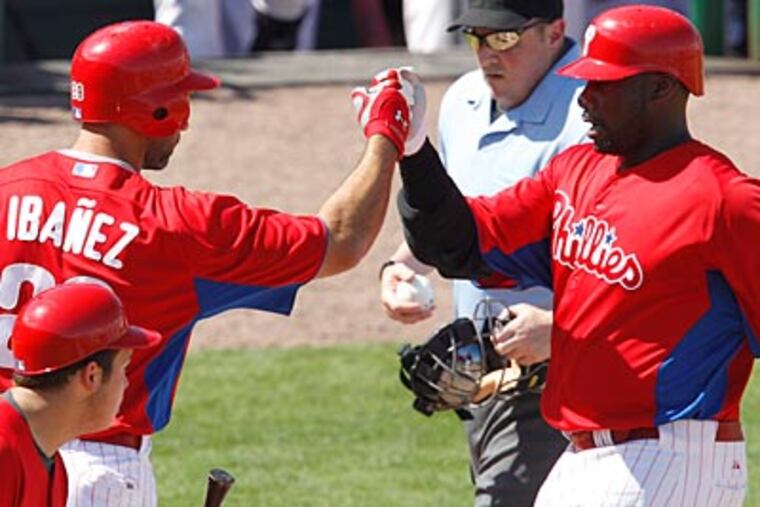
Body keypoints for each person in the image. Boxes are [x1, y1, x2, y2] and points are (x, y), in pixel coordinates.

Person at [0, 20, 415, 506]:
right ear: (156, 109)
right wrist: (386, 135)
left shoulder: (6, 189)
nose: (186, 118)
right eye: (181, 100)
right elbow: (339, 240)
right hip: (102, 473)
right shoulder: (178, 225)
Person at [371, 5, 759, 506]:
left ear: (662, 88)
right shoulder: (576, 171)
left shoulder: (725, 200)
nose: (586, 100)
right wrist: (414, 149)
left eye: (605, 85)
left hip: (671, 458)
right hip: (583, 456)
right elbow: (459, 244)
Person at [379, 0, 587, 505]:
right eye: (477, 38)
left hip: (561, 380)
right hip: (481, 377)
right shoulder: (463, 100)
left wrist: (558, 326)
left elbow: (620, 251)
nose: (487, 55)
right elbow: (458, 224)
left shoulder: (592, 114)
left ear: (555, 32)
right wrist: (401, 267)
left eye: (505, 39)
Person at [0, 283, 161, 507]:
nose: (125, 383)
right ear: (92, 375)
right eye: (123, 368)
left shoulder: (52, 463)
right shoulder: (5, 454)